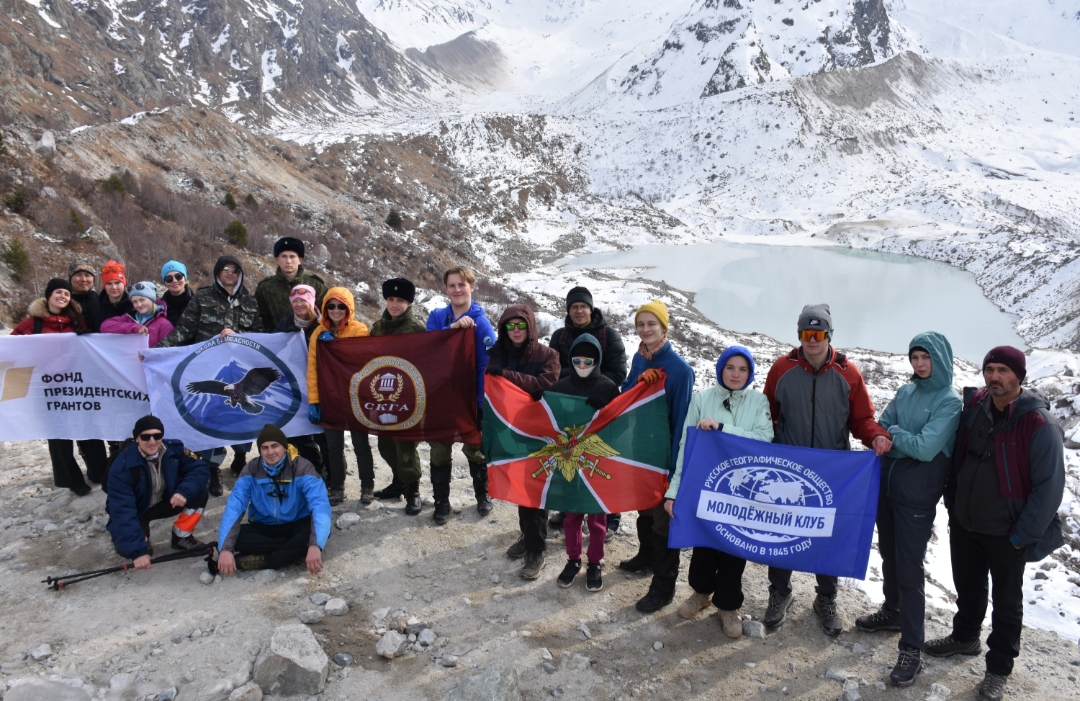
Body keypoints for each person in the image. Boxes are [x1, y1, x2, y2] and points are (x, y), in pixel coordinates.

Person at [925, 347, 1065, 701]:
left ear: (1019, 376)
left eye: (1003, 370)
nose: (995, 377)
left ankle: (999, 668)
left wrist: (1023, 535)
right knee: (968, 586)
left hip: (1008, 531)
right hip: (967, 520)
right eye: (990, 369)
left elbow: (1050, 486)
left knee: (1007, 603)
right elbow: (958, 455)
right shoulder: (975, 408)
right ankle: (964, 637)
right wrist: (953, 503)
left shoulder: (1039, 424)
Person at [761, 303, 891, 635]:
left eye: (818, 333)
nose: (812, 340)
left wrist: (875, 436)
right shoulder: (781, 369)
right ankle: (780, 593)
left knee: (827, 534)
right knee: (783, 530)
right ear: (799, 335)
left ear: (829, 334)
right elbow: (768, 415)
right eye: (806, 333)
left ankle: (826, 598)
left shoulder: (848, 373)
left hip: (832, 471)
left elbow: (861, 419)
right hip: (789, 469)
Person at [854, 333, 961, 686]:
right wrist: (897, 438)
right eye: (914, 357)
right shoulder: (906, 391)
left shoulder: (949, 402)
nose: (918, 364)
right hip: (888, 486)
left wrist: (897, 438)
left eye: (925, 357)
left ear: (940, 359)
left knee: (910, 570)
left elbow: (927, 448)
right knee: (889, 555)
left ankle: (911, 648)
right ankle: (892, 611)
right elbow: (883, 430)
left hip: (917, 497)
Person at [667, 346, 773, 637]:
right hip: (707, 488)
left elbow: (765, 438)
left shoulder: (758, 401)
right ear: (720, 369)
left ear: (750, 373)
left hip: (743, 494)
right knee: (704, 544)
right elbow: (685, 447)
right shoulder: (702, 399)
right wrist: (674, 490)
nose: (736, 374)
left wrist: (723, 428)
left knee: (734, 551)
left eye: (743, 369)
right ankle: (701, 593)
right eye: (730, 368)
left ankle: (728, 606)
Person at [158, 255, 264, 496]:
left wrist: (238, 335)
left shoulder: (250, 302)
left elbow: (260, 335)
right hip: (208, 370)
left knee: (239, 416)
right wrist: (155, 354)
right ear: (217, 273)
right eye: (224, 269)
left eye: (234, 269)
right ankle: (212, 467)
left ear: (239, 274)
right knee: (212, 417)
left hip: (239, 369)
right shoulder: (202, 297)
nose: (229, 273)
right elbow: (184, 329)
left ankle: (240, 456)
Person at [617, 300, 695, 613]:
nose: (646, 329)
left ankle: (663, 587)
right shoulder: (639, 357)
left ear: (664, 327)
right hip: (641, 451)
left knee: (663, 520)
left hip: (663, 457)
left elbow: (681, 422)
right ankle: (645, 558)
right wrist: (636, 383)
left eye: (652, 324)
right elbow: (626, 395)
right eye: (641, 324)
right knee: (646, 511)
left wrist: (674, 468)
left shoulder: (679, 370)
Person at [547, 286, 628, 537]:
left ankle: (609, 513)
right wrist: (575, 381)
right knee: (569, 456)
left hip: (598, 408)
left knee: (599, 460)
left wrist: (595, 385)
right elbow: (553, 369)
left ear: (591, 309)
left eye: (583, 306)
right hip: (570, 410)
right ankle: (569, 508)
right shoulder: (560, 336)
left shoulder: (609, 336)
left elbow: (618, 372)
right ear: (569, 311)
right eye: (574, 307)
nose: (579, 310)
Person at [12, 279, 105, 495]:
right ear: (48, 296)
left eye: (66, 293)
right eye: (58, 292)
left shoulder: (77, 320)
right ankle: (72, 480)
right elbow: (12, 347)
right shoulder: (32, 324)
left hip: (78, 386)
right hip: (48, 389)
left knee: (88, 428)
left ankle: (99, 471)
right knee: (59, 436)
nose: (62, 296)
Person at [488, 304, 560, 579]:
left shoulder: (548, 355)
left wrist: (506, 376)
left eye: (521, 325)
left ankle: (536, 550)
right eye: (510, 325)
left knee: (535, 491)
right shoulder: (497, 353)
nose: (515, 331)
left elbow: (546, 385)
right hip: (509, 429)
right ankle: (527, 536)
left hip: (539, 432)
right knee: (520, 487)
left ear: (530, 327)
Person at [423, 266, 497, 524]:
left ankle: (482, 495)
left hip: (470, 399)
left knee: (475, 449)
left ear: (471, 287)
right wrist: (453, 329)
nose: (457, 290)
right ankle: (441, 502)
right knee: (440, 450)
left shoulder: (482, 323)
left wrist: (481, 400)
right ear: (446, 289)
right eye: (452, 285)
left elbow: (487, 365)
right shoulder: (436, 317)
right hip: (442, 398)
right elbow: (428, 349)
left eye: (461, 285)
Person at [549, 334, 619, 592]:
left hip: (596, 464)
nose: (582, 364)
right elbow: (548, 420)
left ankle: (595, 562)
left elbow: (619, 426)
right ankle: (573, 559)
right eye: (576, 359)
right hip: (569, 462)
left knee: (597, 518)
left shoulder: (608, 387)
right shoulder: (561, 387)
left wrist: (606, 411)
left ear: (597, 360)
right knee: (571, 516)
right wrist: (535, 401)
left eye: (588, 360)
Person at [217, 424, 332, 574]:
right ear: (259, 450)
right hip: (265, 526)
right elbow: (234, 508)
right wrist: (225, 549)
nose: (270, 452)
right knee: (235, 537)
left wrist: (315, 545)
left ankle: (270, 560)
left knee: (319, 530)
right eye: (264, 448)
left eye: (274, 446)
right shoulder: (251, 469)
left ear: (284, 447)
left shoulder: (303, 468)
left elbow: (320, 507)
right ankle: (293, 552)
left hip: (297, 523)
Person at [105, 416, 211, 567]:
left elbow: (199, 468)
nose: (152, 441)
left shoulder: (174, 449)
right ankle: (143, 537)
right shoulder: (122, 467)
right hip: (136, 510)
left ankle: (181, 537)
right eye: (145, 436)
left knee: (199, 493)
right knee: (129, 550)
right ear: (137, 439)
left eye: (157, 435)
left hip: (164, 502)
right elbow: (122, 511)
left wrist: (183, 492)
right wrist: (137, 552)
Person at [305, 287, 376, 506]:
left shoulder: (359, 330)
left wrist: (336, 346)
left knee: (360, 444)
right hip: (330, 397)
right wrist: (314, 401)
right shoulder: (317, 333)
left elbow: (362, 360)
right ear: (325, 308)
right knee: (333, 446)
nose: (336, 310)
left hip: (354, 398)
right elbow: (312, 369)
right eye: (331, 306)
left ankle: (367, 486)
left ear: (349, 308)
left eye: (341, 306)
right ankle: (337, 486)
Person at [369, 278, 427, 516]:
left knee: (405, 445)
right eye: (391, 299)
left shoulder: (417, 329)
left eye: (400, 300)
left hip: (408, 398)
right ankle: (399, 481)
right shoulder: (377, 328)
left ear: (409, 303)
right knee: (385, 444)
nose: (394, 304)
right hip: (383, 396)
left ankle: (413, 490)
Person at [272, 285, 326, 478]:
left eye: (303, 300)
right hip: (294, 388)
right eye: (295, 301)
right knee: (298, 435)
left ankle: (333, 474)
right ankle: (314, 471)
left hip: (320, 387)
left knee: (325, 435)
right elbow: (270, 349)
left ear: (311, 301)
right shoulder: (285, 324)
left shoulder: (324, 325)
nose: (299, 304)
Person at [255, 236, 328, 330]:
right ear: (277, 259)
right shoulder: (265, 288)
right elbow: (261, 320)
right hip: (277, 341)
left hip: (311, 341)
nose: (288, 261)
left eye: (292, 256)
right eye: (284, 256)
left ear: (300, 260)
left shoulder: (316, 285)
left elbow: (326, 315)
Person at [100, 281, 175, 347]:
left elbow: (167, 353)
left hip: (149, 362)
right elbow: (104, 326)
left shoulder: (164, 325)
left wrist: (148, 355)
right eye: (135, 302)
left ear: (152, 299)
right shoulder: (129, 317)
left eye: (142, 300)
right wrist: (134, 327)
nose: (139, 305)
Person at [68, 260, 103, 332]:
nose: (83, 279)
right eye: (78, 275)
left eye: (87, 275)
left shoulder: (103, 300)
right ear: (70, 279)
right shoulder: (64, 303)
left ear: (93, 279)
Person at [160, 260, 193, 328]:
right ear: (165, 282)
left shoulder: (198, 301)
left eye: (178, 276)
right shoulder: (159, 307)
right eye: (169, 278)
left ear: (185, 278)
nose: (174, 281)